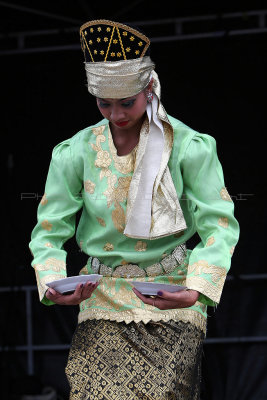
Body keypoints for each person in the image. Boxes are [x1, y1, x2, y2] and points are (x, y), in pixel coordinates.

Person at [29, 19, 239, 400]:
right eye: (104, 103)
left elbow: (220, 223)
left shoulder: (190, 147)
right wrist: (52, 283)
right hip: (102, 294)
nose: (116, 114)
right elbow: (48, 228)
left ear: (149, 87)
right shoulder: (76, 152)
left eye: (127, 102)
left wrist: (197, 289)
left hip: (171, 289)